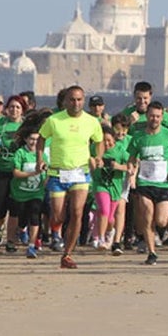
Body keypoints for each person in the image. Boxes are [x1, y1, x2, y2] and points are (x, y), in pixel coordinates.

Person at [36, 85, 105, 269]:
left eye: (80, 99)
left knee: (77, 213)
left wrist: (98, 157)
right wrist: (40, 159)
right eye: (72, 99)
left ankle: (67, 254)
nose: (76, 103)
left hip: (80, 173)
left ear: (84, 101)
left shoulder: (91, 121)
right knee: (58, 216)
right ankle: (56, 230)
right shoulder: (54, 120)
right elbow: (41, 139)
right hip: (57, 173)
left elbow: (99, 141)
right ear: (66, 101)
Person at [127, 101, 168, 265]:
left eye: (158, 116)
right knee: (147, 215)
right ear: (147, 116)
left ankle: (166, 228)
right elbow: (131, 157)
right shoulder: (138, 136)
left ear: (162, 117)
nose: (155, 119)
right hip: (145, 182)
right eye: (152, 116)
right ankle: (151, 252)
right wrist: (131, 169)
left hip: (163, 183)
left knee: (161, 221)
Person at [4, 112, 49, 258]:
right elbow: (16, 173)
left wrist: (45, 180)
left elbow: (47, 171)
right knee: (17, 216)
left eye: (37, 140)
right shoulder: (20, 153)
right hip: (19, 192)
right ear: (25, 139)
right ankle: (12, 240)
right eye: (31, 139)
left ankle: (31, 245)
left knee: (35, 215)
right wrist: (33, 173)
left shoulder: (42, 155)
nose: (34, 142)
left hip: (36, 192)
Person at [0, 95, 27, 245]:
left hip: (18, 171)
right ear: (6, 109)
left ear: (22, 110)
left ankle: (11, 238)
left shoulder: (25, 126)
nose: (14, 110)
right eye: (11, 107)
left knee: (16, 205)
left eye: (18, 107)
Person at [90, 122, 131, 252]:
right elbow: (88, 160)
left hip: (115, 187)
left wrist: (119, 167)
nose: (106, 144)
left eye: (109, 141)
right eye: (103, 142)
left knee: (110, 218)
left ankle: (110, 232)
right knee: (103, 210)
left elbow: (131, 166)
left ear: (114, 139)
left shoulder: (120, 150)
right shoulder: (94, 148)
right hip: (100, 185)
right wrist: (95, 162)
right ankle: (101, 239)